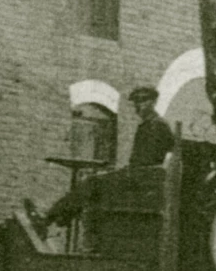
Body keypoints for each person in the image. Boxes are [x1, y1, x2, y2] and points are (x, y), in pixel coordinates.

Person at [29, 85, 175, 229]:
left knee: (91, 182)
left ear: (154, 102)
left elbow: (171, 152)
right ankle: (58, 217)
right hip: (135, 175)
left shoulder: (158, 125)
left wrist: (158, 171)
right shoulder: (147, 125)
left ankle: (49, 218)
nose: (138, 106)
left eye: (142, 101)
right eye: (136, 102)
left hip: (140, 178)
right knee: (93, 187)